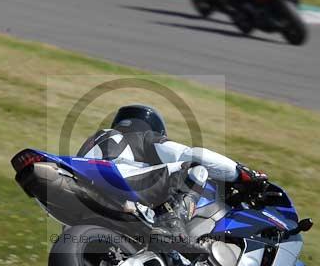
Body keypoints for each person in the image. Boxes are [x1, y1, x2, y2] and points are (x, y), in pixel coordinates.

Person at [76, 104, 267, 251]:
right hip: (118, 181)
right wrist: (241, 172)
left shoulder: (98, 138)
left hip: (85, 199)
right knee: (196, 168)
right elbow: (193, 154)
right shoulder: (143, 137)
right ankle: (172, 226)